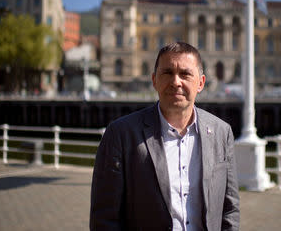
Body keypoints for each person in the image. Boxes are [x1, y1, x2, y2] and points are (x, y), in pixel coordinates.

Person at [90, 42, 240, 230]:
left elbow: (230, 209)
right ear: (154, 80)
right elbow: (104, 217)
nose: (176, 81)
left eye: (185, 74)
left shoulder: (221, 132)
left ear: (200, 83)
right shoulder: (121, 134)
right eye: (168, 73)